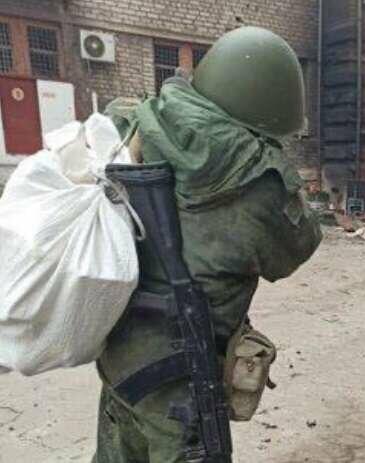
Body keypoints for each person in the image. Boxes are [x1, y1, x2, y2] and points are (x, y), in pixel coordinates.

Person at [95, 26, 322, 462]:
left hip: (120, 364)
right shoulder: (260, 183)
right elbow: (296, 248)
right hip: (182, 387)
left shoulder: (139, 124)